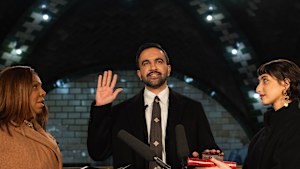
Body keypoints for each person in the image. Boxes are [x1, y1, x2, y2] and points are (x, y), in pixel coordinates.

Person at [87, 43, 221, 168]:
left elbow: (209, 149)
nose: (153, 67)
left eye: (159, 61)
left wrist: (210, 156)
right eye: (146, 63)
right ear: (140, 74)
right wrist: (101, 108)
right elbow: (98, 153)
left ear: (168, 69)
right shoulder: (121, 112)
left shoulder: (193, 109)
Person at [199, 59, 300, 169]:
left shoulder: (295, 128)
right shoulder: (260, 136)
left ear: (285, 84)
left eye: (265, 80)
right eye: (259, 82)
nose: (258, 89)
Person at [0, 66, 62, 169]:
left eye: (41, 86)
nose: (43, 92)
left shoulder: (35, 128)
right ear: (16, 91)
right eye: (35, 87)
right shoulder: (3, 135)